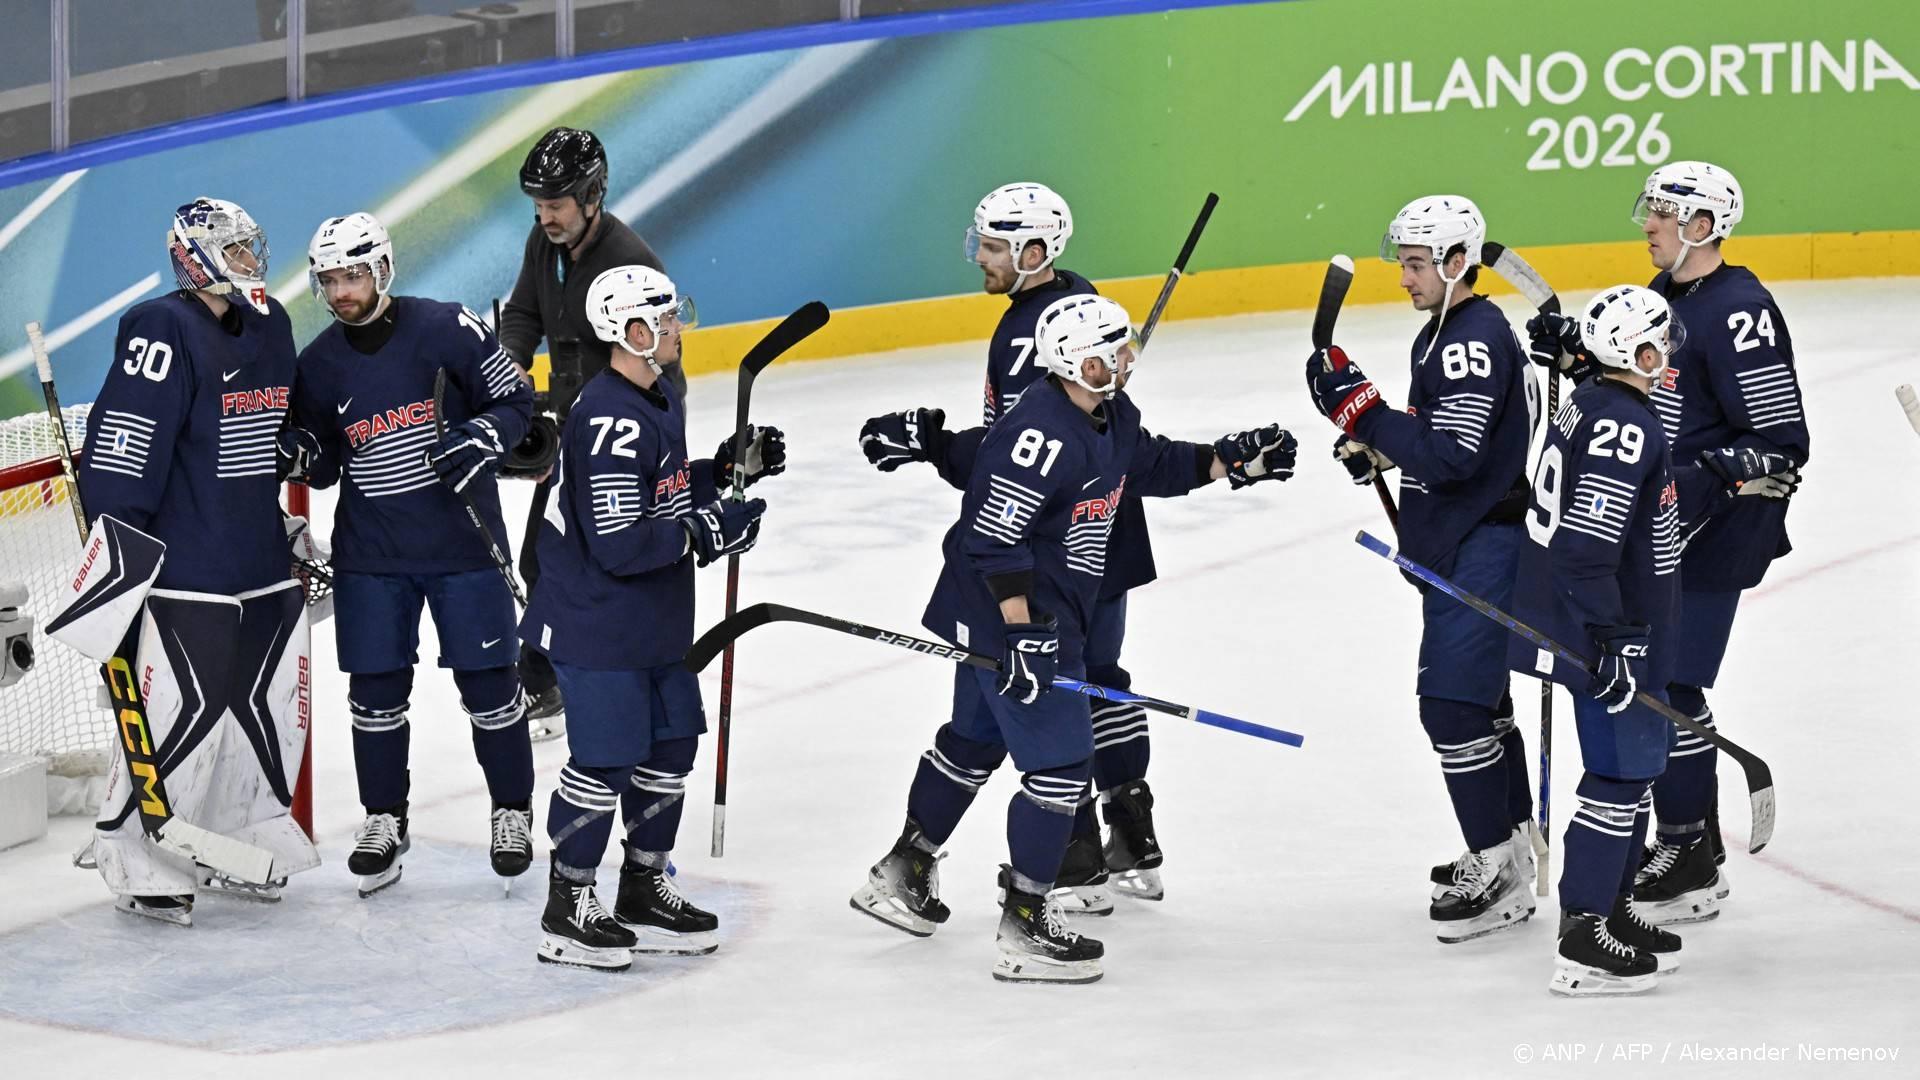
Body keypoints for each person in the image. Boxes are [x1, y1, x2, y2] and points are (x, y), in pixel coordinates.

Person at [851, 292, 1296, 984]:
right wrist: (1022, 637)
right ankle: (1026, 923)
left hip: (1031, 614)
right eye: (1109, 351)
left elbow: (1151, 466)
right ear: (1071, 361)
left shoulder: (1110, 415)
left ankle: (901, 870)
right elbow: (993, 540)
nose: (1124, 359)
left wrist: (1230, 462)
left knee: (972, 742)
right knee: (1061, 767)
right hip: (1013, 616)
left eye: (1125, 347)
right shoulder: (1039, 434)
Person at [857, 181, 1163, 911]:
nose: (981, 259)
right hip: (1098, 536)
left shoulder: (1031, 333)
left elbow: (1015, 467)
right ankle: (1126, 832)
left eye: (994, 247)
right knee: (1087, 682)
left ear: (1034, 252)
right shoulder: (1078, 298)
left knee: (1033, 701)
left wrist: (933, 444)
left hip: (1052, 557)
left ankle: (1074, 854)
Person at [1526, 162, 1811, 924]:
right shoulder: (1665, 298)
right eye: (1649, 210)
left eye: (1662, 213)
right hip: (1664, 527)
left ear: (1703, 224)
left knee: (1672, 687)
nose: (1647, 225)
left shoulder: (1740, 309)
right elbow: (1643, 387)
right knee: (1662, 685)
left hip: (1715, 532)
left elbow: (1783, 441)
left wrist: (1695, 482)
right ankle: (1686, 846)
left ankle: (1687, 849)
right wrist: (1582, 355)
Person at [1508, 284, 1794, 995]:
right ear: (1636, 353)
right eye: (1661, 341)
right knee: (1619, 778)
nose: (1671, 351)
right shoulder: (1624, 425)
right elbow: (1585, 548)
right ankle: (1584, 942)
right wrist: (1614, 640)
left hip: (1606, 625)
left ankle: (1612, 911)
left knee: (1630, 777)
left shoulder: (1601, 404)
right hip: (1610, 633)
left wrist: (1720, 478)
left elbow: (1641, 497)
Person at [521, 265, 785, 971]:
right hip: (596, 621)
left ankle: (641, 885)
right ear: (633, 333)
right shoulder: (608, 419)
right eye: (665, 320)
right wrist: (705, 533)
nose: (676, 329)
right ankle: (567, 903)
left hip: (651, 619)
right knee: (605, 760)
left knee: (670, 749)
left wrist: (728, 469)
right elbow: (617, 543)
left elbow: (660, 488)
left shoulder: (657, 392)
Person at [64, 197, 318, 925]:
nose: (249, 262)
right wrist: (116, 553)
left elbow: (281, 421)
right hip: (188, 564)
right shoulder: (162, 330)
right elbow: (124, 444)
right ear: (193, 256)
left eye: (249, 248)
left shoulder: (272, 324)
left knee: (264, 710)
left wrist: (297, 449)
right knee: (180, 712)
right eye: (233, 251)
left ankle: (245, 825)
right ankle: (131, 849)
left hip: (260, 555)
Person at [1304, 195, 1539, 943]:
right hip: (1471, 538)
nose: (1403, 279)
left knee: (1453, 709)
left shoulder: (1468, 339)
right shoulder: (1448, 331)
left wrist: (1363, 412)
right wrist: (1380, 445)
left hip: (1482, 547)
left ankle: (1497, 870)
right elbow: (1443, 444)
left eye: (1414, 265)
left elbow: (1458, 454)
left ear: (1456, 262)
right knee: (1483, 704)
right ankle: (1510, 847)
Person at [286, 211, 538, 898]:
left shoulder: (447, 327)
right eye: (330, 279)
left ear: (383, 269)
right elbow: (326, 464)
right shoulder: (319, 365)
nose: (341, 291)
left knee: (490, 689)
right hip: (373, 556)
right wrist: (305, 455)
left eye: (353, 274)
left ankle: (512, 810)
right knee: (373, 696)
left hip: (464, 546)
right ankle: (383, 820)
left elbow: (517, 399)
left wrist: (483, 434)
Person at [498, 127, 679, 740]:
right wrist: (511, 362)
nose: (544, 216)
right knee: (545, 559)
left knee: (572, 563)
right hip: (575, 429)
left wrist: (606, 445)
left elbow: (659, 373)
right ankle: (554, 679)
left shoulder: (629, 263)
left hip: (611, 444)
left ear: (592, 196)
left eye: (556, 204)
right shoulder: (544, 242)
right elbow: (523, 312)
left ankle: (561, 680)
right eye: (539, 205)